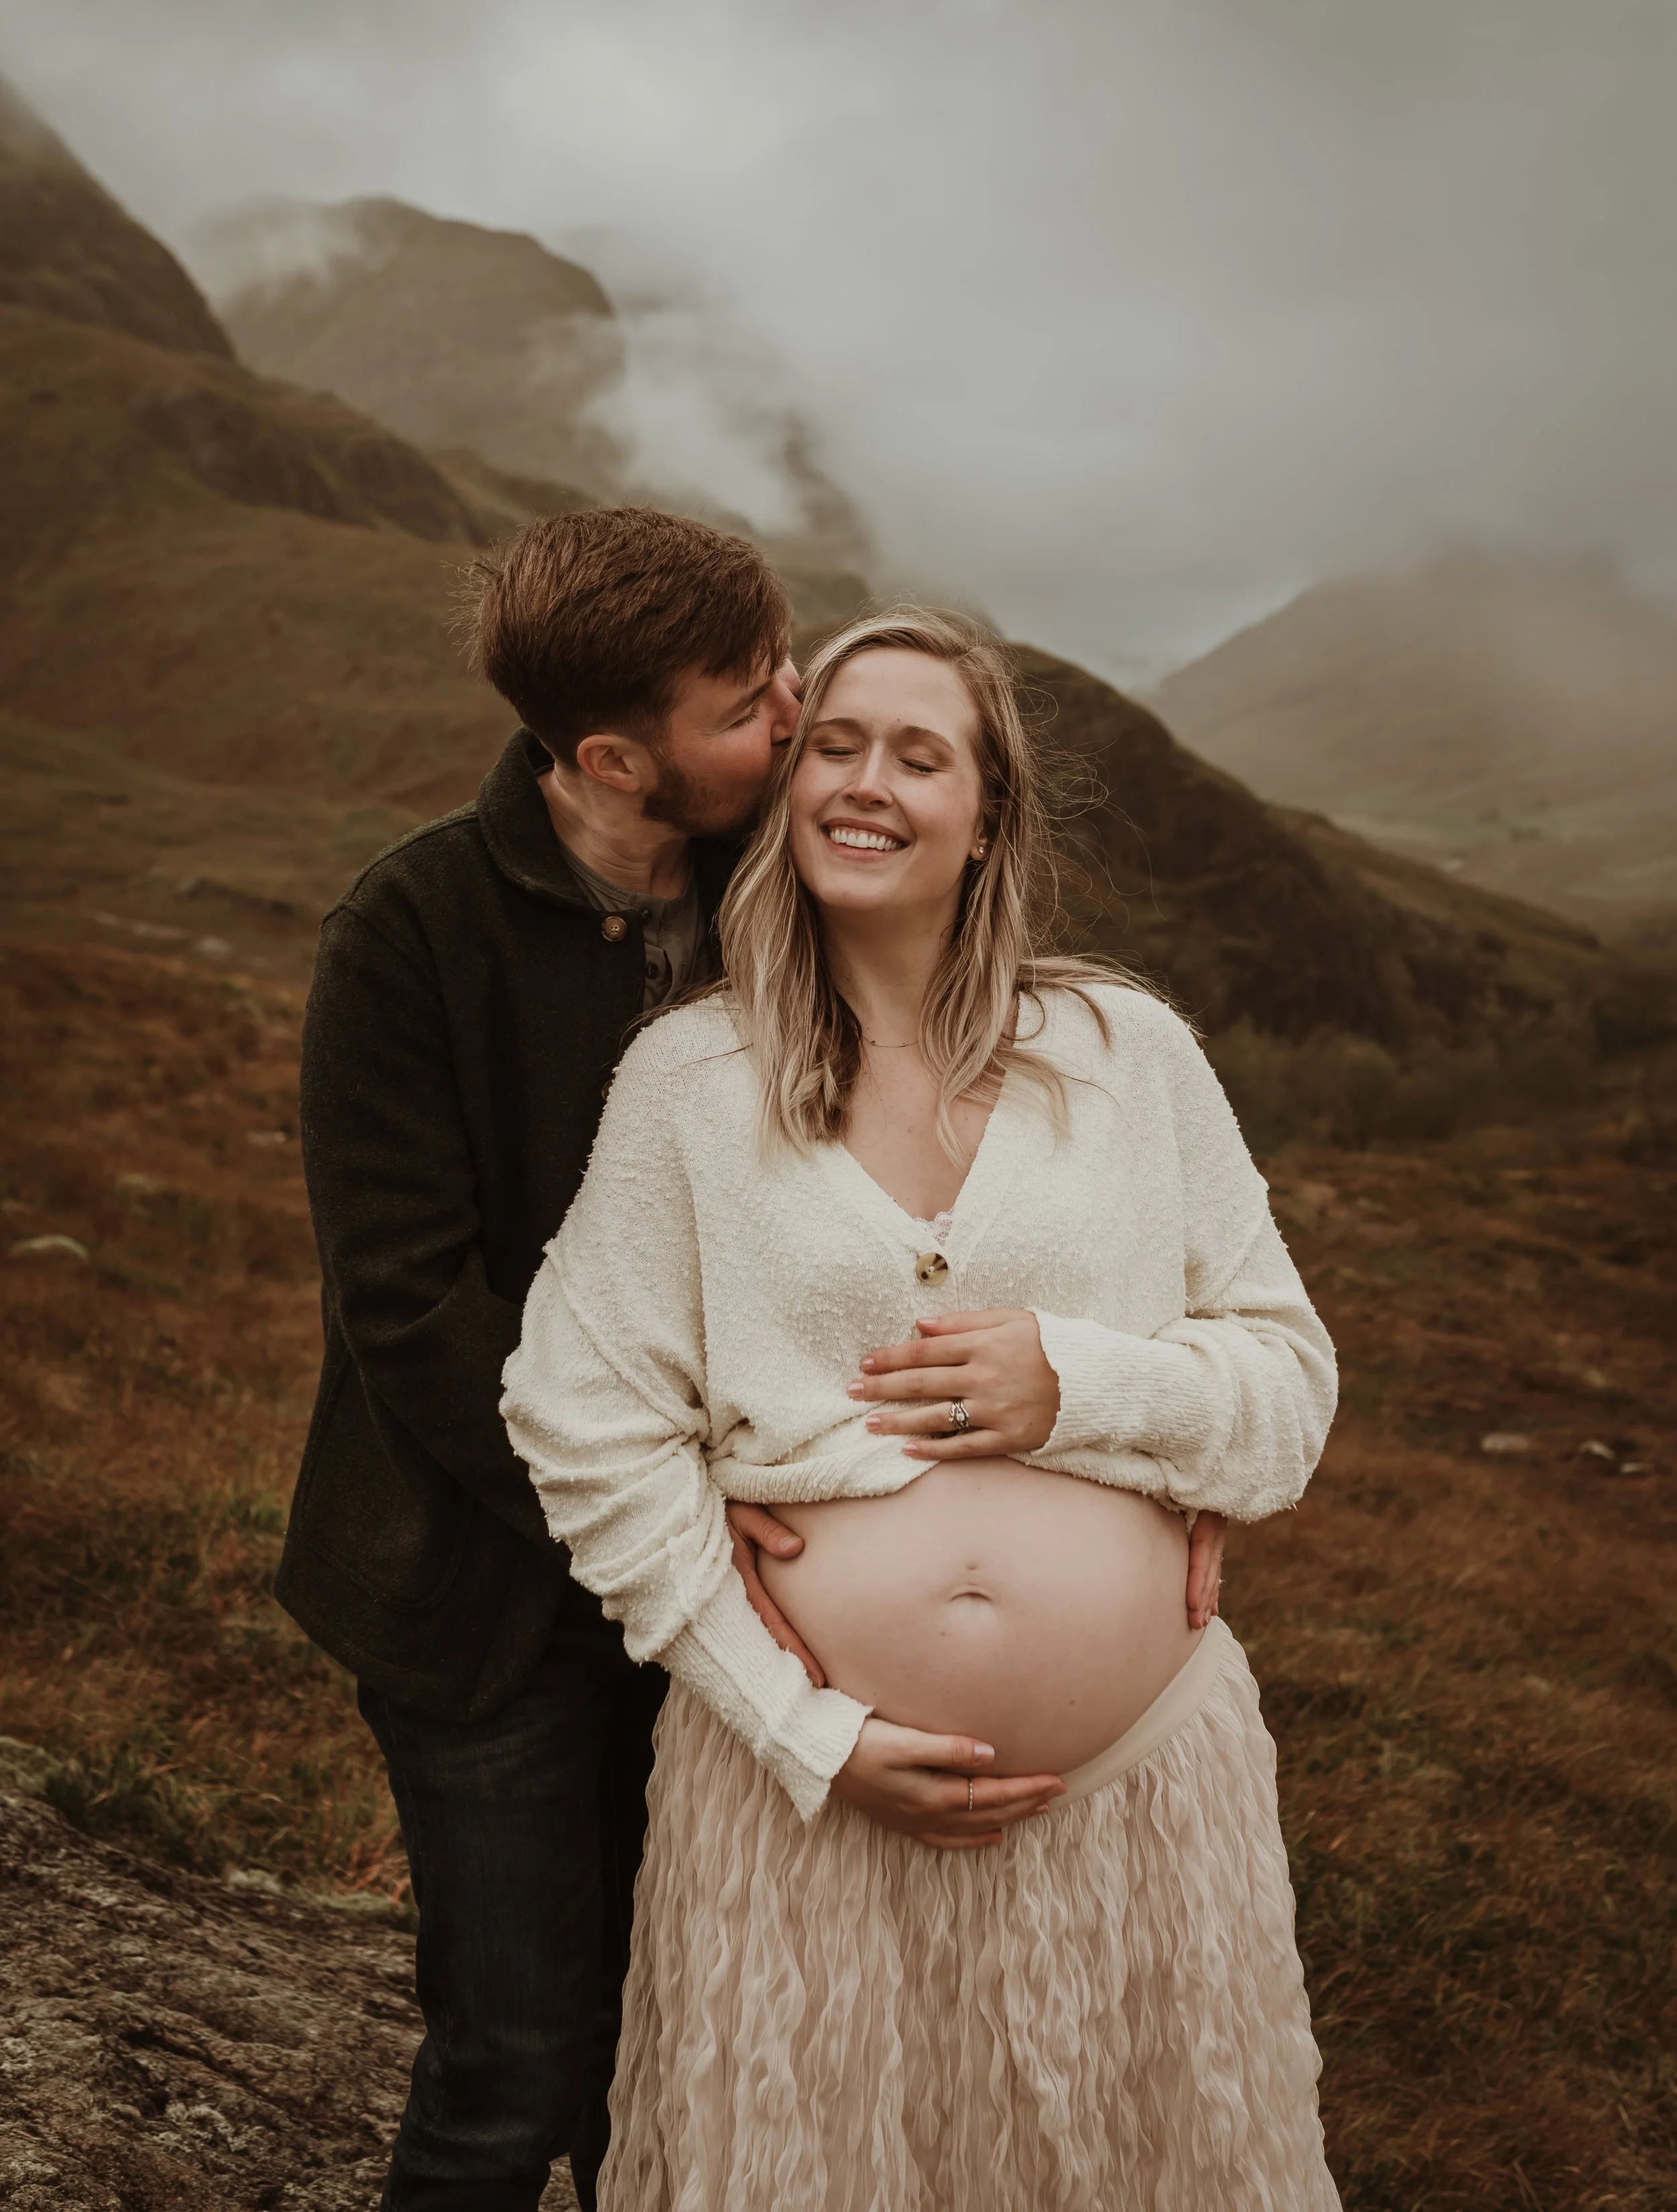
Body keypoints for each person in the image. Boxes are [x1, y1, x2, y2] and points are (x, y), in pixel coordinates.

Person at [502, 607, 1342, 2209]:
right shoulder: (691, 1077)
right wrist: (803, 1727)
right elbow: (584, 1421)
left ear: (986, 817)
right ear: (788, 782)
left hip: (1137, 1801)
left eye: (918, 752)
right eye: (832, 742)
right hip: (806, 1814)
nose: (864, 780)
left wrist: (1075, 1385)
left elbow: (1285, 1388)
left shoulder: (1125, 1054)